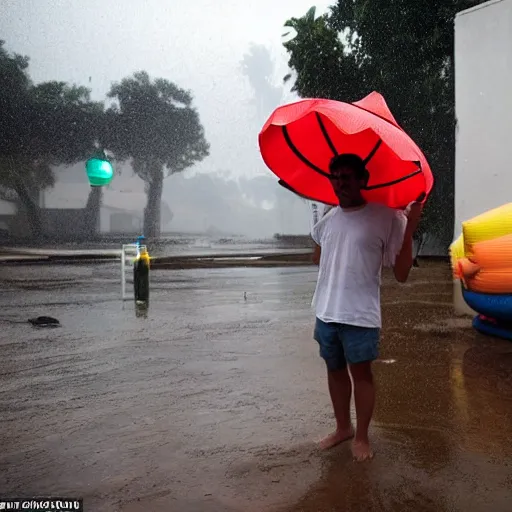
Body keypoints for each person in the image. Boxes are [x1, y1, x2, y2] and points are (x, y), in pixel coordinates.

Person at [310, 153, 423, 462]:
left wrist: (410, 227)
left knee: (361, 374)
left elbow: (400, 273)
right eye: (335, 177)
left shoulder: (386, 217)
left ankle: (361, 437)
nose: (340, 183)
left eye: (347, 177)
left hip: (360, 315)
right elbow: (319, 258)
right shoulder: (329, 218)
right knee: (334, 370)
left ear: (363, 180)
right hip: (326, 312)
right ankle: (343, 428)